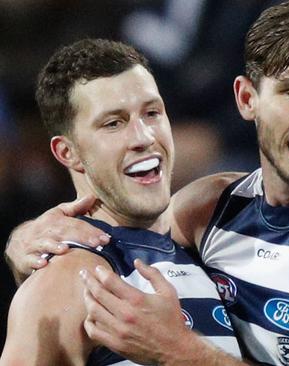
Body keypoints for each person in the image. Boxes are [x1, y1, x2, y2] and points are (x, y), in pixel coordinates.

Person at [5, 1, 289, 365]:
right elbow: (116, 234)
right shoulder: (208, 209)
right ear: (246, 99)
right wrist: (26, 241)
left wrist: (181, 352)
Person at [0, 39, 243, 365]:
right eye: (113, 123)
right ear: (67, 153)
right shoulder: (74, 281)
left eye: (152, 113)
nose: (143, 137)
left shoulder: (205, 228)